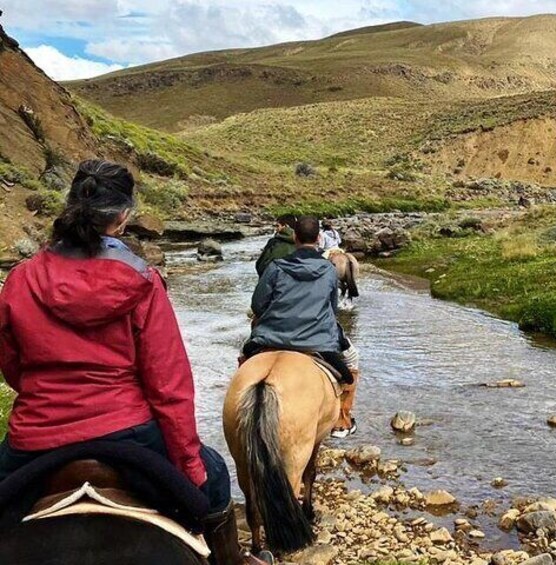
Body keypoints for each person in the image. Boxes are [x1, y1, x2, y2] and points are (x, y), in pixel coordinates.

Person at [0, 160, 269, 565]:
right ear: (123, 217)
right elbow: (169, 386)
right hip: (131, 435)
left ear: (70, 205)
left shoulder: (20, 279)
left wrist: (50, 394)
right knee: (213, 479)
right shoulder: (143, 282)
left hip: (36, 438)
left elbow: (12, 366)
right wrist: (190, 464)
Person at [243, 217, 360, 419]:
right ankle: (343, 418)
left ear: (295, 237)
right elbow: (332, 309)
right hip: (318, 340)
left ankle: (242, 404)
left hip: (271, 336)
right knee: (352, 359)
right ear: (318, 238)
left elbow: (258, 305)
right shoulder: (329, 271)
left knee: (244, 354)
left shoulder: (275, 267)